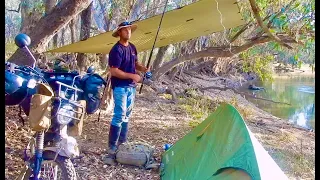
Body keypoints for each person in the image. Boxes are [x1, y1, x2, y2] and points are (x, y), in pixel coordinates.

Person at [107, 21, 150, 155]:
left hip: (131, 87)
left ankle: (122, 143)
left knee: (127, 115)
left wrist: (143, 69)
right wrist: (133, 76)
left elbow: (135, 63)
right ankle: (112, 146)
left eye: (130, 30)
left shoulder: (132, 47)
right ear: (119, 33)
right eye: (125, 30)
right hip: (120, 86)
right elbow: (114, 71)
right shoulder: (116, 50)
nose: (128, 32)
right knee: (119, 115)